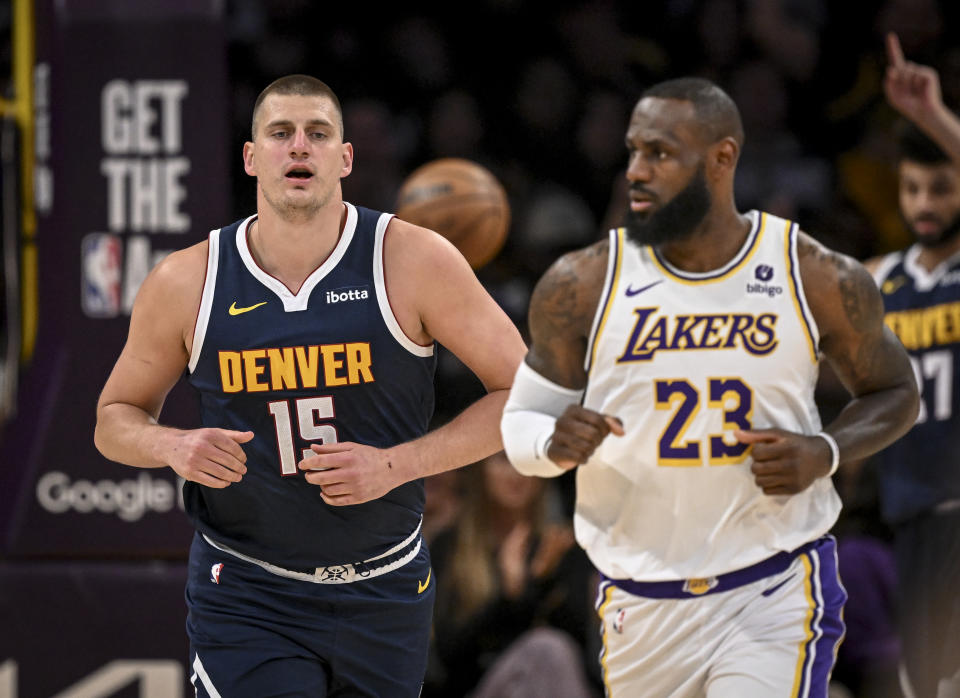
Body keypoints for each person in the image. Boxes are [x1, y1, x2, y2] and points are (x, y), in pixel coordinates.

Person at [94, 75, 526, 698]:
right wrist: (172, 447)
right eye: (280, 133)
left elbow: (521, 393)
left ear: (345, 158)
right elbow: (113, 417)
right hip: (248, 589)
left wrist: (398, 465)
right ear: (250, 156)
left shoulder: (412, 260)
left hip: (386, 586)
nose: (299, 147)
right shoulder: (188, 281)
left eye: (318, 134)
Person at [500, 76, 920, 698]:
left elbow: (896, 391)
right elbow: (521, 423)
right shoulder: (581, 282)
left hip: (772, 587)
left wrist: (823, 452)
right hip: (637, 600)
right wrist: (553, 443)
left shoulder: (811, 272)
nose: (636, 172)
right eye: (633, 150)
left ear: (722, 158)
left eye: (660, 153)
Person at [861, 33, 960, 698]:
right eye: (912, 188)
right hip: (912, 512)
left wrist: (934, 118)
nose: (924, 204)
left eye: (942, 188)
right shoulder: (878, 282)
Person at [424, 451, 597, 698]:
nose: (517, 472)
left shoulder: (561, 546)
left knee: (550, 650)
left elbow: (581, 652)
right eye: (504, 460)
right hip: (478, 687)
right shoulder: (449, 546)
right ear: (481, 469)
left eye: (527, 460)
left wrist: (542, 581)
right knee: (546, 649)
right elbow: (449, 659)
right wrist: (508, 596)